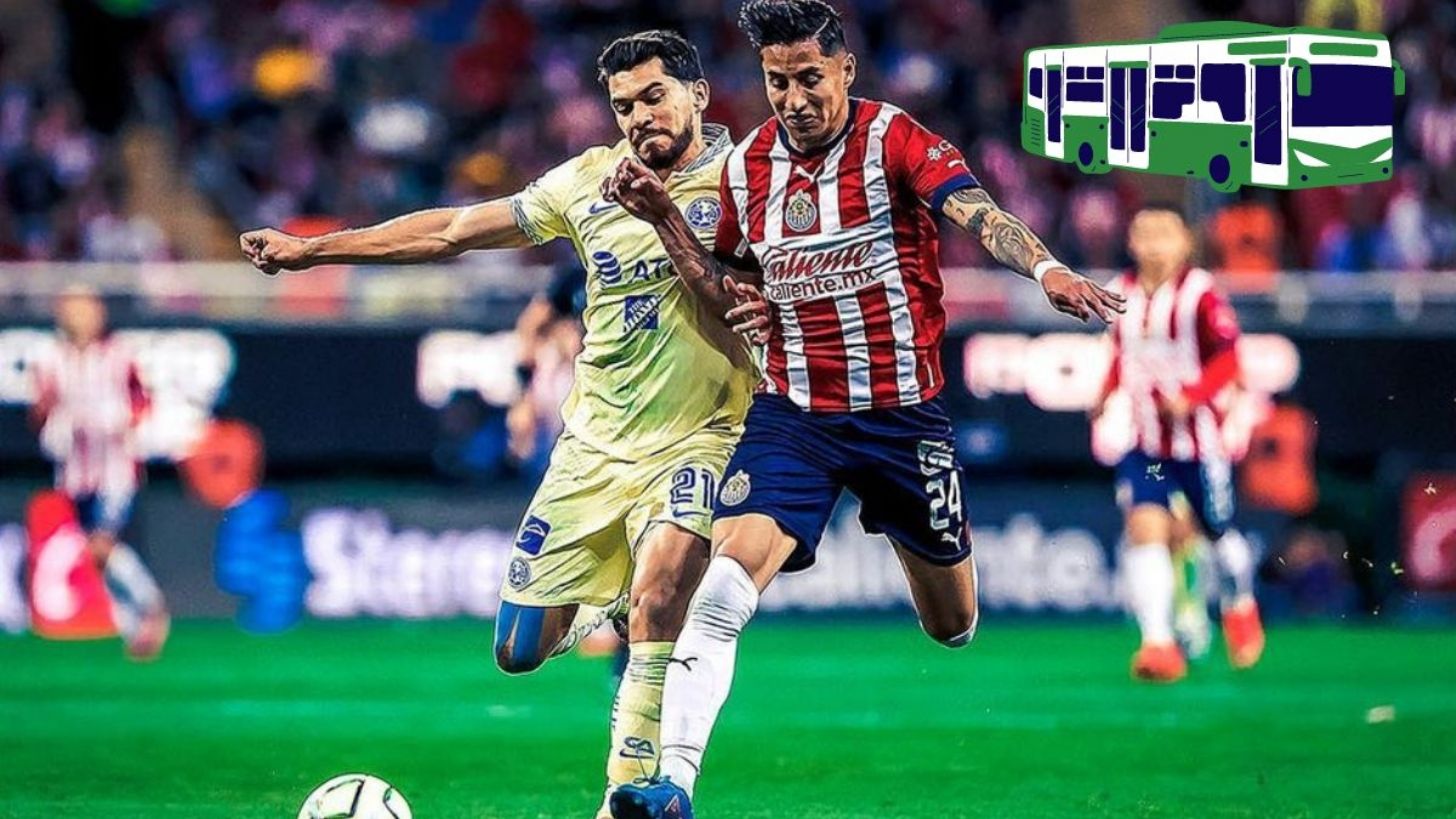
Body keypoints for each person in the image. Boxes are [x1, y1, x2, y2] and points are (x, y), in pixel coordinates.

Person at [600, 2, 1124, 815]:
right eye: (777, 82)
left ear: (845, 69)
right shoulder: (748, 168)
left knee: (952, 624)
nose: (794, 99)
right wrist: (677, 226)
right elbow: (727, 282)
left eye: (810, 78)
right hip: (796, 416)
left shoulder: (894, 140)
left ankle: (924, 557)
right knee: (723, 589)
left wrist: (1046, 268)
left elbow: (979, 214)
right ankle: (675, 784)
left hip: (902, 419)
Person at [240, 31, 764, 819]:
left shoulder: (749, 180)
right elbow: (452, 230)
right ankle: (608, 605)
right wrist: (314, 250)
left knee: (661, 594)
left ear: (697, 93)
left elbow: (754, 302)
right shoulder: (587, 181)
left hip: (704, 434)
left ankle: (627, 793)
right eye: (623, 105)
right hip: (593, 449)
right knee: (519, 650)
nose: (639, 117)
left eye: (654, 96)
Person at [1092, 204, 1265, 683]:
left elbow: (1229, 359)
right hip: (1147, 449)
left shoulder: (1201, 294)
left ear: (1186, 242)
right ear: (1131, 241)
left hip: (1199, 448)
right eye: (1144, 234)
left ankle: (1240, 604)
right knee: (1145, 527)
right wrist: (1103, 394)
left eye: (1164, 234)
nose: (1153, 245)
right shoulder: (1121, 293)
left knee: (1216, 533)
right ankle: (1158, 644)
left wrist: (1193, 395)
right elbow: (1121, 354)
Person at [29, 285, 170, 660]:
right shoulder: (51, 358)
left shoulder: (118, 355)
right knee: (96, 554)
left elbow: (143, 401)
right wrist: (55, 426)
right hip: (75, 471)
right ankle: (134, 626)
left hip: (115, 469)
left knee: (101, 544)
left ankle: (150, 606)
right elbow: (40, 410)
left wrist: (123, 424)